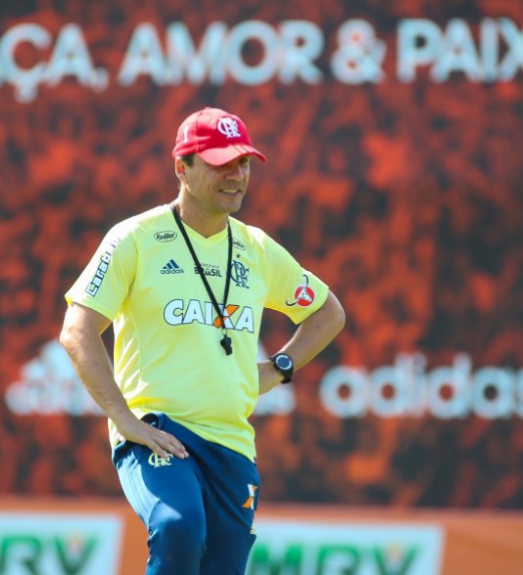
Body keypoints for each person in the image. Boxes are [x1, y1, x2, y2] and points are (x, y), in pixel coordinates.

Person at [60, 106, 346, 575]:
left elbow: (327, 311)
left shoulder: (257, 248)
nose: (236, 175)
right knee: (178, 527)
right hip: (159, 432)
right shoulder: (135, 238)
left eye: (244, 163)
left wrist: (280, 367)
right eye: (220, 163)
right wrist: (124, 419)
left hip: (232, 443)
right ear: (182, 167)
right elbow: (77, 330)